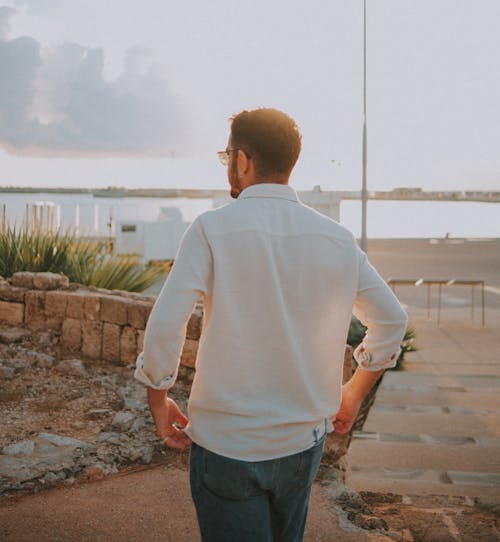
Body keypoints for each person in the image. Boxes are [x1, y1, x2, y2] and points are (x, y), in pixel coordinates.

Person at [135, 107, 408, 542]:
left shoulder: (210, 229)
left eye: (227, 158)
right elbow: (392, 320)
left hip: (227, 444)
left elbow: (168, 320)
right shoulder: (336, 239)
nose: (229, 167)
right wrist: (353, 393)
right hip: (302, 444)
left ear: (242, 160)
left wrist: (158, 397)